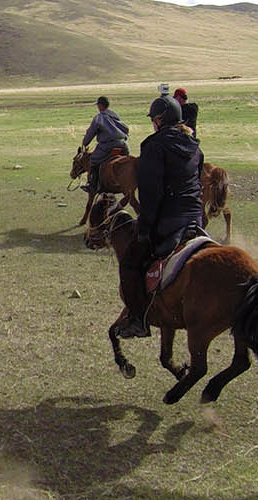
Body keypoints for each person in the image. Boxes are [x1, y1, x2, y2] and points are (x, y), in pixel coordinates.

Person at [109, 94, 206, 340]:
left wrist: (145, 228)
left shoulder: (154, 146)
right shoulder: (194, 145)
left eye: (153, 119)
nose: (153, 123)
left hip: (170, 222)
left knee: (130, 263)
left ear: (160, 120)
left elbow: (152, 193)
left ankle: (138, 320)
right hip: (196, 220)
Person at [77, 96, 129, 189]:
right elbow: (126, 128)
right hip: (123, 144)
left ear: (100, 106)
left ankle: (93, 184)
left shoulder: (99, 118)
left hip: (108, 146)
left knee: (93, 160)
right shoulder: (115, 115)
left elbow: (91, 133)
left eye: (98, 105)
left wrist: (85, 143)